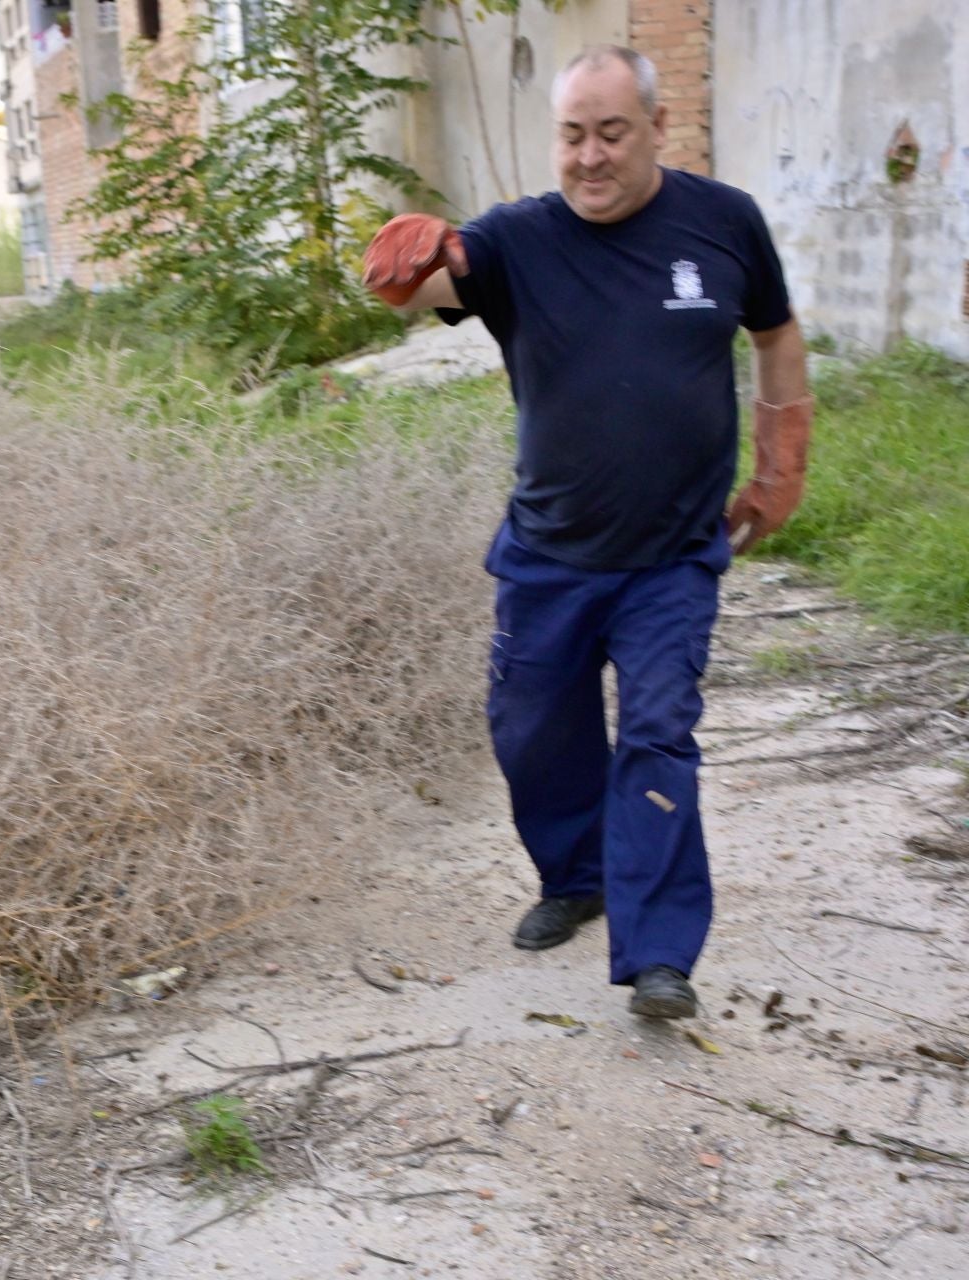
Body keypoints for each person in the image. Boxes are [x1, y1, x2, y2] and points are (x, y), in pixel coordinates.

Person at [359, 44, 811, 1019]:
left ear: (655, 129)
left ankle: (659, 953)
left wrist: (783, 462)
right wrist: (407, 266)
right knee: (533, 732)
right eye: (572, 135)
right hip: (547, 553)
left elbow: (775, 333)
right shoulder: (518, 239)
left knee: (658, 732)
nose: (590, 157)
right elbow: (442, 282)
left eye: (611, 133)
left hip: (672, 556)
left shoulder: (724, 224)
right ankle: (576, 878)